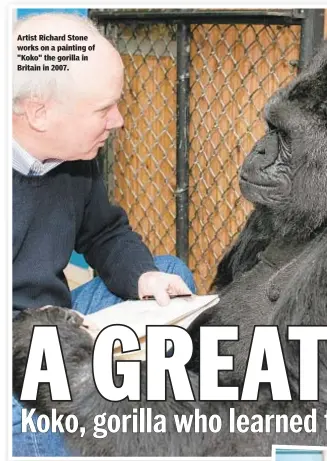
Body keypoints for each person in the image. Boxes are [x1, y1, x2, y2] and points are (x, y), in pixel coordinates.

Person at [12, 12, 195, 456]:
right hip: (17, 345)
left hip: (56, 318)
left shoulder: (73, 157)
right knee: (45, 428)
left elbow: (106, 233)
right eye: (103, 108)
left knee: (167, 273)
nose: (118, 120)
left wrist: (142, 278)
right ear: (39, 113)